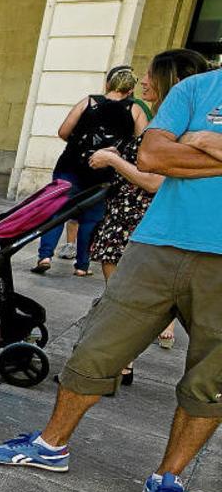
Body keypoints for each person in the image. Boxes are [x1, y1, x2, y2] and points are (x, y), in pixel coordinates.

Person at [0, 51, 222, 492]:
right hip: (156, 246)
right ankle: (52, 445)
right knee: (96, 349)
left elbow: (168, 160)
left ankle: (169, 478)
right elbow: (154, 156)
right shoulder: (196, 90)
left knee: (212, 380)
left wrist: (205, 145)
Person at [86, 49, 207, 368]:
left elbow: (153, 180)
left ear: (173, 81)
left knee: (121, 302)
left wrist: (113, 159)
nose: (143, 80)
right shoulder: (168, 121)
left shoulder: (177, 125)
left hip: (137, 220)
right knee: (122, 300)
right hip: (129, 216)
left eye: (151, 74)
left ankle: (117, 362)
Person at [31, 65, 146, 277]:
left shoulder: (88, 102)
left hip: (71, 165)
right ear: (130, 90)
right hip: (106, 172)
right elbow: (142, 145)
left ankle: (45, 256)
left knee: (57, 210)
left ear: (108, 84)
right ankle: (82, 266)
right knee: (92, 219)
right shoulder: (135, 110)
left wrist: (78, 144)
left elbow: (63, 131)